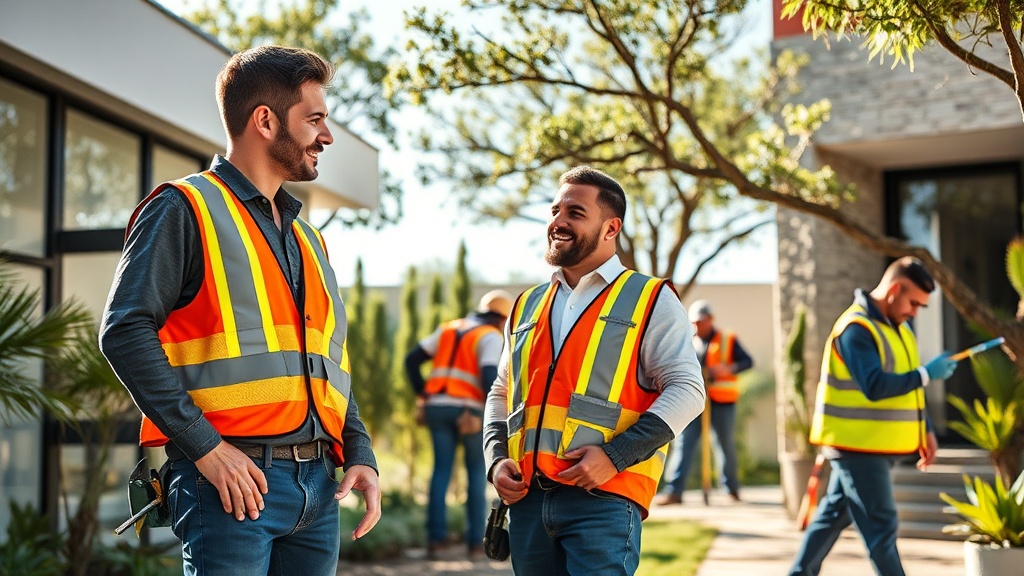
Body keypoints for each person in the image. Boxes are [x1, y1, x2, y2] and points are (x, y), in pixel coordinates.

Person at [99, 46, 381, 576]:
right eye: (315, 119)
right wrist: (205, 447)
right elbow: (124, 331)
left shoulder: (309, 238)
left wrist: (357, 450)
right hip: (230, 486)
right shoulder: (183, 208)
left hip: (319, 488)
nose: (327, 136)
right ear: (266, 121)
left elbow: (326, 365)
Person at [483, 166, 706, 576]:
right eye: (555, 210)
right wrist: (496, 459)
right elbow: (502, 391)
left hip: (603, 499)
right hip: (528, 501)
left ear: (610, 227)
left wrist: (615, 456)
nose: (558, 221)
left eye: (575, 212)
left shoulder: (650, 298)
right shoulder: (526, 305)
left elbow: (689, 390)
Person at [789, 256, 959, 576]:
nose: (915, 311)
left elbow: (909, 385)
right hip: (857, 448)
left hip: (870, 445)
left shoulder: (899, 328)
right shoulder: (856, 329)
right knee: (882, 529)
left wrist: (927, 429)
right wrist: (927, 373)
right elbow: (875, 386)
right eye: (914, 303)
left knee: (831, 517)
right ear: (894, 290)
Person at [404, 289, 513, 559]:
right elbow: (491, 378)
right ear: (501, 319)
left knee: (441, 471)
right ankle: (477, 543)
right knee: (476, 472)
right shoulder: (490, 336)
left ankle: (435, 540)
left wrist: (424, 394)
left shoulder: (449, 329)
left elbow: (411, 361)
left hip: (436, 408)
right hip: (470, 412)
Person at [655, 299, 753, 504]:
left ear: (710, 319)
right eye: (695, 322)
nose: (698, 326)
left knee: (725, 444)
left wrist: (728, 369)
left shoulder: (727, 339)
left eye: (702, 321)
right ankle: (674, 491)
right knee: (684, 443)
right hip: (693, 402)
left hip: (722, 402)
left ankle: (731, 489)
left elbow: (747, 361)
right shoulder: (688, 341)